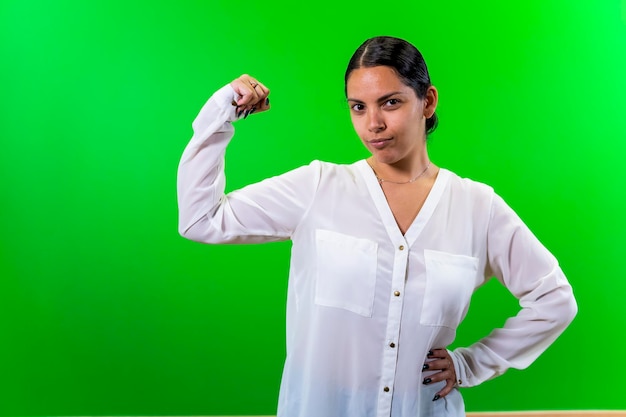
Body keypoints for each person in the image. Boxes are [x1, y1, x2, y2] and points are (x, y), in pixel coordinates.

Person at [177, 36, 577, 417]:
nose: (373, 124)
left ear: (428, 102)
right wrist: (223, 110)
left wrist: (470, 364)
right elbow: (201, 219)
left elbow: (554, 300)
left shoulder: (478, 207)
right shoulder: (318, 187)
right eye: (358, 107)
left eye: (390, 103)